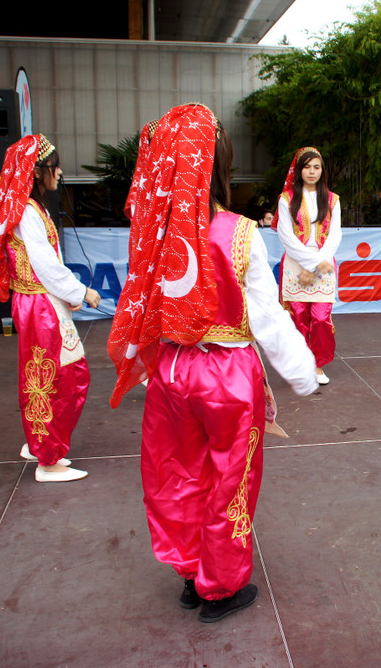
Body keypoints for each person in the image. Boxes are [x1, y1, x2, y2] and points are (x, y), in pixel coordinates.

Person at [108, 104, 317, 624]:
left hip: (172, 372)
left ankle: (189, 573)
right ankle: (219, 587)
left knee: (176, 473)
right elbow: (267, 317)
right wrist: (302, 373)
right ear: (217, 163)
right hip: (227, 377)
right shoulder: (240, 233)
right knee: (230, 479)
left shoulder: (154, 234)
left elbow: (140, 306)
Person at [0, 134, 100, 482]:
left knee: (57, 376)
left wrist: (68, 296)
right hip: (40, 306)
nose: (59, 172)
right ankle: (47, 459)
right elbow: (45, 265)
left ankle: (42, 446)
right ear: (36, 171)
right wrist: (81, 292)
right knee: (56, 379)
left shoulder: (27, 209)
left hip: (42, 303)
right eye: (54, 166)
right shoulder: (28, 212)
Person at [273, 147, 342, 385]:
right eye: (307, 167)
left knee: (321, 318)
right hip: (296, 262)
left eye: (316, 167)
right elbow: (285, 235)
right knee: (298, 317)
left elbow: (335, 235)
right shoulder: (286, 199)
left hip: (324, 261)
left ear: (322, 170)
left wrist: (316, 265)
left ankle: (317, 363)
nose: (312, 172)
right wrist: (311, 263)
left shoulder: (333, 199)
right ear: (299, 170)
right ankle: (300, 365)